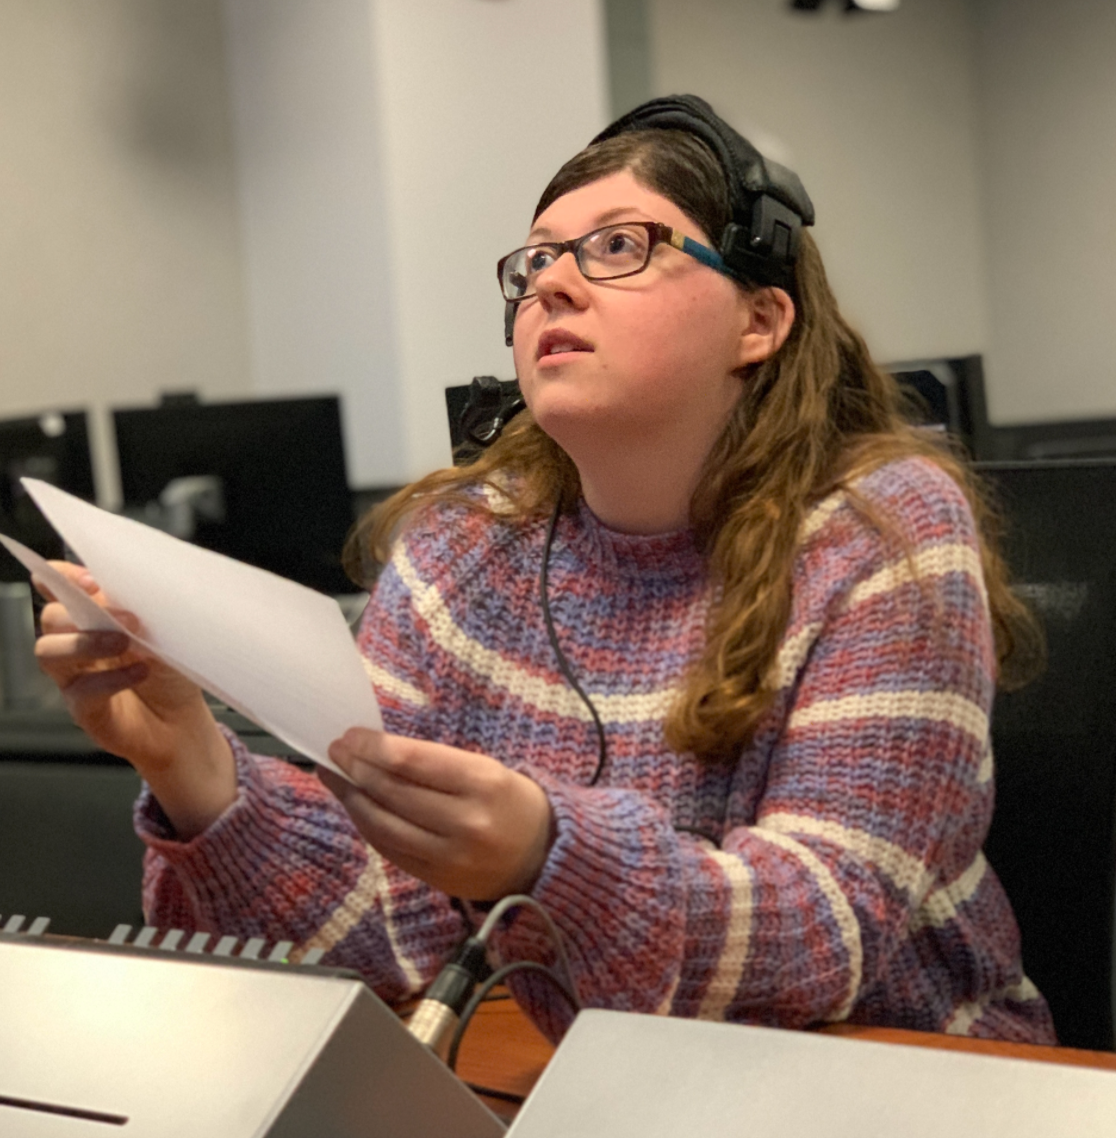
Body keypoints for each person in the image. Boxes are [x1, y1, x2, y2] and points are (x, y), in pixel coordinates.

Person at [35, 95, 1055, 1044]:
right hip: (595, 1077)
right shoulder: (462, 546)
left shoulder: (882, 532)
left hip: (896, 1080)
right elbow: (391, 929)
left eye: (619, 246)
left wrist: (545, 856)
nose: (552, 283)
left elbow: (826, 935)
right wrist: (193, 768)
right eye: (535, 263)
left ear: (760, 320)